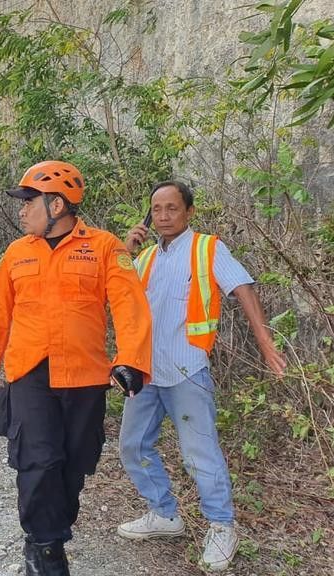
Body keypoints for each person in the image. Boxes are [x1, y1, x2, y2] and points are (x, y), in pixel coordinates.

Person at [0, 160, 153, 576]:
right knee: (38, 460)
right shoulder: (17, 253)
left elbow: (129, 305)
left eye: (28, 201)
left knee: (75, 461)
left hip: (84, 374)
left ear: (56, 205)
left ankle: (55, 529)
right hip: (29, 372)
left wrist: (131, 360)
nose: (21, 209)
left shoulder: (104, 247)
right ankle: (43, 548)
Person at [117, 181, 287, 572]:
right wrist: (126, 251)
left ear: (189, 212)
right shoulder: (143, 259)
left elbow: (242, 287)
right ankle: (164, 514)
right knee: (132, 446)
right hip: (145, 373)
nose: (163, 216)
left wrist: (265, 342)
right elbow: (116, 296)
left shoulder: (207, 248)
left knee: (200, 454)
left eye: (172, 208)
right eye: (156, 209)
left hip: (186, 370)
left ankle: (222, 526)